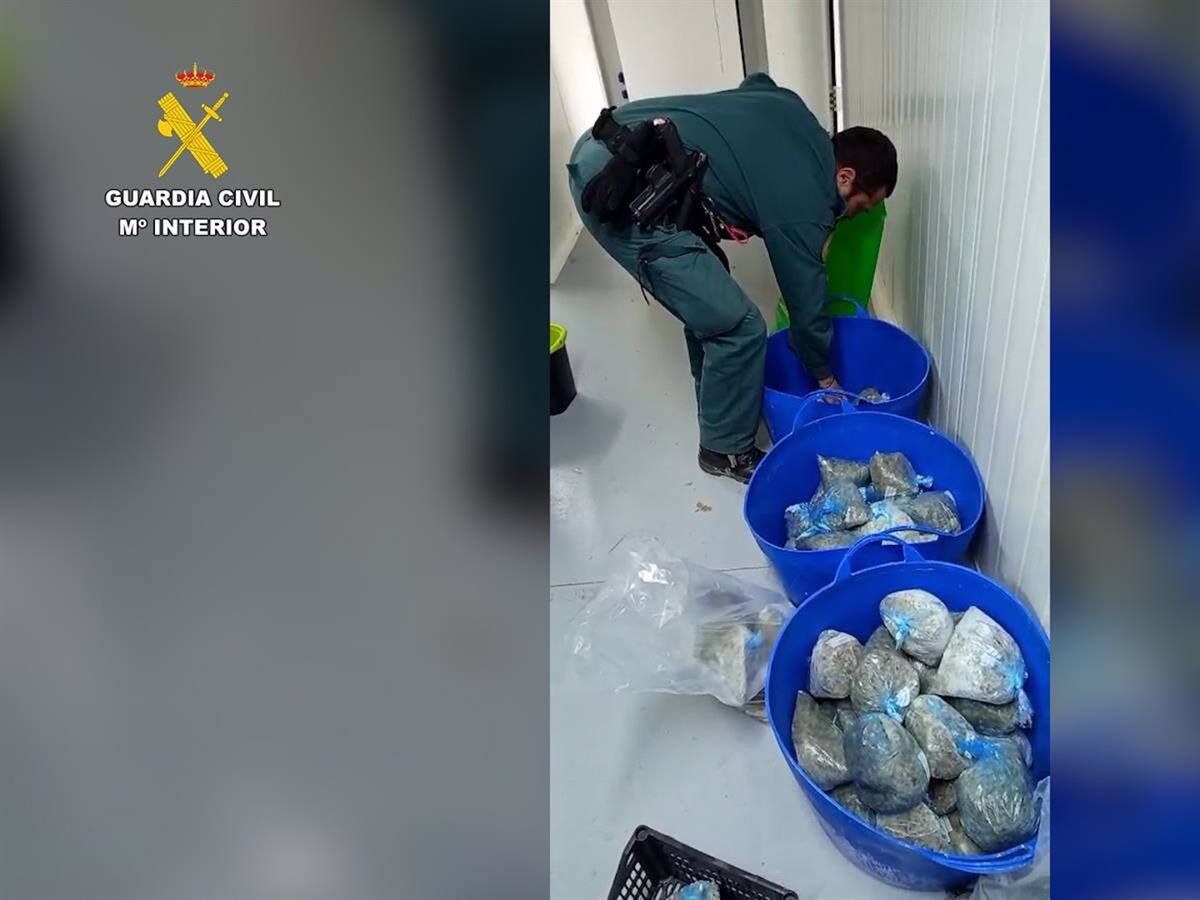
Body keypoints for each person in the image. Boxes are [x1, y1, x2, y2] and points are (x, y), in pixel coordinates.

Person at [566, 73, 897, 483]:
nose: (857, 215)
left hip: (614, 138)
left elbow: (758, 82)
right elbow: (806, 304)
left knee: (712, 298)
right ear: (844, 177)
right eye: (863, 206)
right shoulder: (808, 201)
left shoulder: (795, 113)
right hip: (612, 186)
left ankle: (718, 405)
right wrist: (825, 376)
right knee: (739, 325)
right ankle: (724, 451)